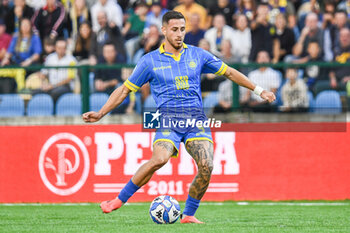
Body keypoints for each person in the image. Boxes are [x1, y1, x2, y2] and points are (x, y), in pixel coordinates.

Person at [82, 11, 275, 223]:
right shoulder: (149, 61)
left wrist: (259, 90)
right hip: (168, 121)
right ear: (164, 30)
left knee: (207, 165)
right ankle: (118, 200)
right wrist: (101, 112)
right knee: (159, 159)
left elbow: (229, 72)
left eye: (182, 29)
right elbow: (124, 90)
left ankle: (189, 214)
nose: (179, 34)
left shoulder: (198, 55)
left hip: (196, 121)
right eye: (174, 29)